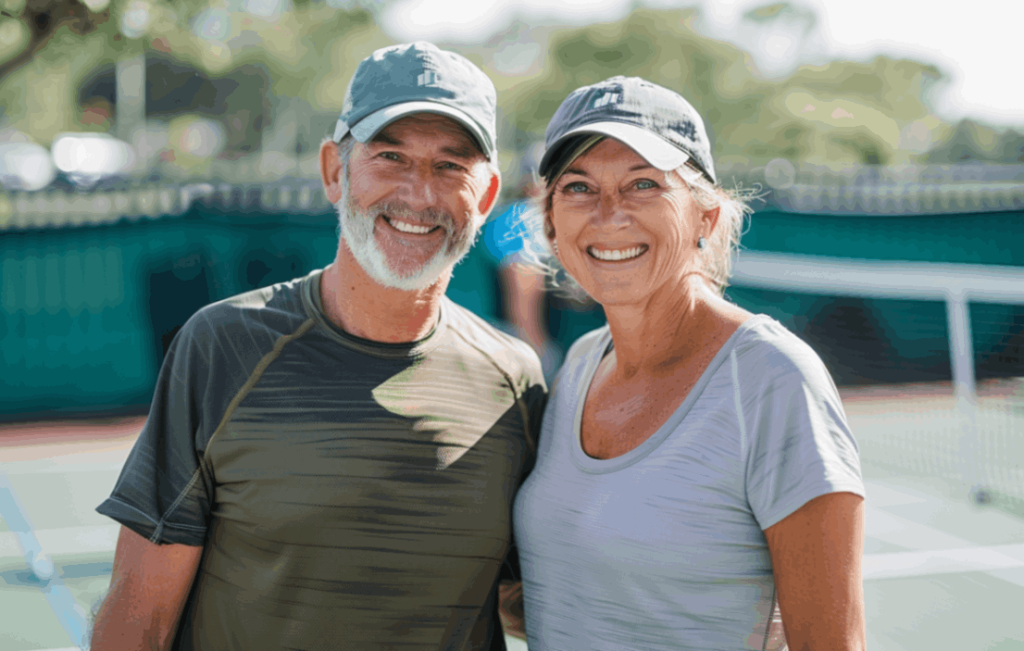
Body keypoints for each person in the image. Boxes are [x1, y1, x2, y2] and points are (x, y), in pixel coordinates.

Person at [90, 42, 545, 651]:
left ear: (486, 197)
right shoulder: (222, 347)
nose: (419, 193)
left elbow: (531, 601)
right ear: (335, 171)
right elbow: (137, 620)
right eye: (390, 156)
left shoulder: (514, 378)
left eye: (450, 166)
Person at [512, 76, 866, 651]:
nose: (609, 213)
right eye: (578, 187)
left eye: (644, 184)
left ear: (705, 217)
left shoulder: (773, 379)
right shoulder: (579, 365)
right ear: (552, 223)